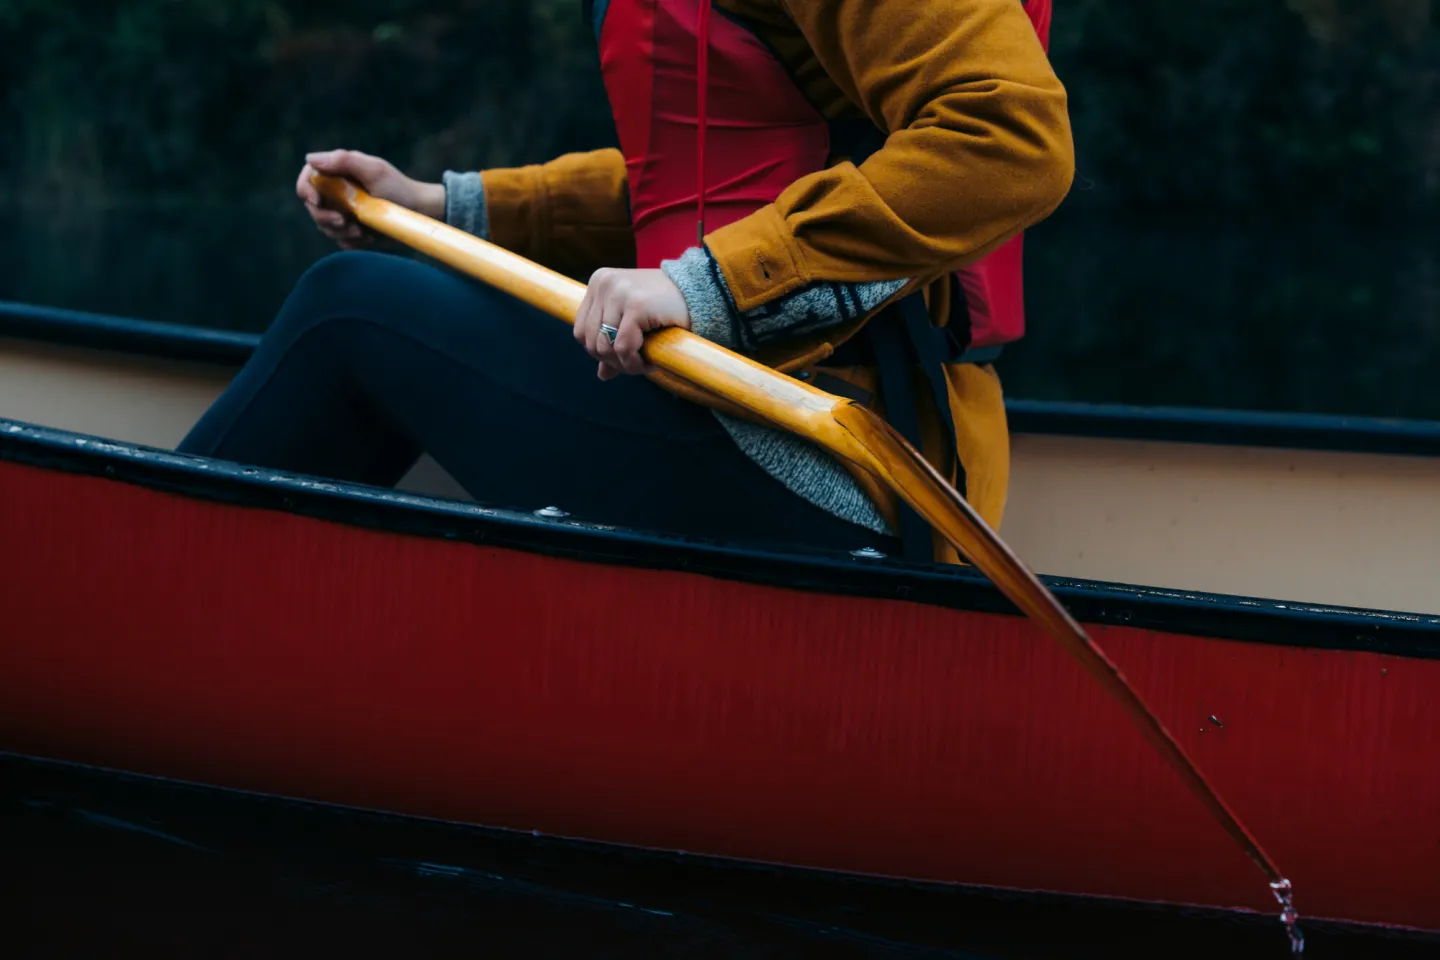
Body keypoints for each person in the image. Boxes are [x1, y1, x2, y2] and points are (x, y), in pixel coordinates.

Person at [179, 0, 1073, 561]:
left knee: (351, 312)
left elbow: (1010, 138)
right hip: (765, 422)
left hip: (826, 459)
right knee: (373, 307)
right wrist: (446, 206)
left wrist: (712, 287)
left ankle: (139, 601)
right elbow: (697, 184)